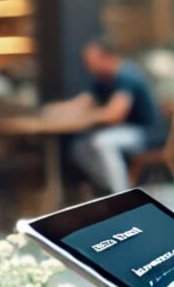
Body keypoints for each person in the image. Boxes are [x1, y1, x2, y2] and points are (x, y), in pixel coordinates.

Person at [63, 38, 162, 195]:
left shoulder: (126, 76)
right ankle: (106, 188)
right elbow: (84, 102)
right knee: (79, 147)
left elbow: (115, 115)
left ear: (106, 58)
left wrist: (87, 116)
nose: (89, 67)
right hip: (120, 130)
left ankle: (122, 194)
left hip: (142, 132)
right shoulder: (102, 78)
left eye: (91, 62)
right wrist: (58, 110)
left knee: (101, 142)